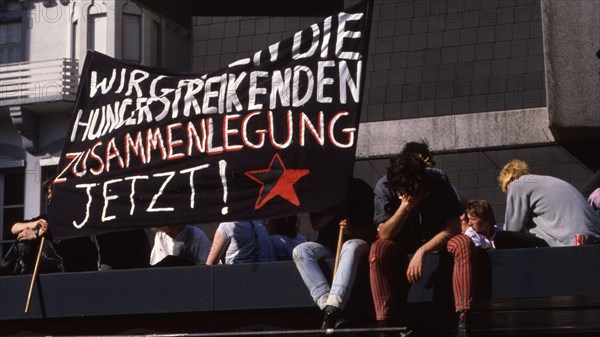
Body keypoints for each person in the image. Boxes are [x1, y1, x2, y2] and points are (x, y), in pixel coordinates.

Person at [369, 152, 473, 337]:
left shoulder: (438, 179)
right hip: (401, 241)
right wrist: (406, 206)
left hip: (435, 239)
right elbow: (384, 234)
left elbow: (454, 227)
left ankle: (464, 317)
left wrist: (422, 251)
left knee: (463, 242)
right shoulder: (384, 186)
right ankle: (385, 324)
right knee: (377, 249)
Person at [293, 178, 375, 329]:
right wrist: (336, 208)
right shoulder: (320, 190)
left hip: (357, 242)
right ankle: (327, 307)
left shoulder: (360, 188)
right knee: (301, 250)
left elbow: (375, 228)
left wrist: (354, 231)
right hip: (328, 245)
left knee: (349, 247)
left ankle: (336, 305)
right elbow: (316, 224)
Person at [497, 159, 600, 248]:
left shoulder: (516, 185)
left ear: (507, 181)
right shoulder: (548, 181)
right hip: (593, 235)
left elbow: (512, 230)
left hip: (571, 242)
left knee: (503, 238)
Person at [1, 177, 64, 275]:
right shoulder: (44, 218)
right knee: (23, 238)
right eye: (48, 193)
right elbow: (13, 228)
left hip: (59, 271)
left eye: (51, 192)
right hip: (39, 271)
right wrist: (33, 225)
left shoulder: (72, 219)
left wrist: (35, 234)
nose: (48, 197)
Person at [206, 220, 275, 265]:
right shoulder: (260, 225)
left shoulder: (227, 225)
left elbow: (210, 264)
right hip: (263, 278)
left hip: (234, 277)